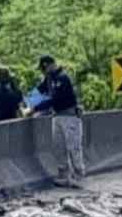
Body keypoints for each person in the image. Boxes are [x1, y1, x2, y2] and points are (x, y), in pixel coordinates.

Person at [33, 55, 84, 187]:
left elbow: (54, 99)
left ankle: (77, 175)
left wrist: (34, 108)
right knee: (59, 147)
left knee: (73, 147)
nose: (42, 72)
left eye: (43, 69)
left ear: (48, 65)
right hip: (57, 116)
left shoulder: (62, 78)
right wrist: (26, 103)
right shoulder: (49, 79)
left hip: (70, 117)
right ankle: (63, 174)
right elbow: (39, 91)